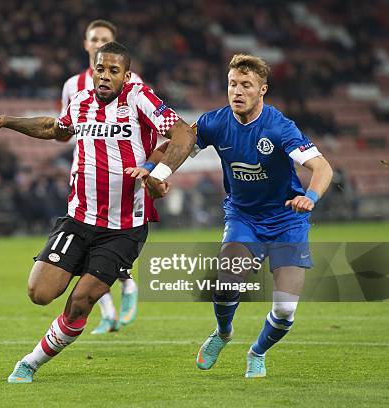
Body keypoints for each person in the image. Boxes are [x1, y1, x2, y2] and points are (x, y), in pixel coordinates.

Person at [0, 41, 196, 383]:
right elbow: (54, 130)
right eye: (100, 69)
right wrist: (4, 121)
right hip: (78, 219)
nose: (105, 77)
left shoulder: (139, 97)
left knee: (81, 301)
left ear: (126, 74)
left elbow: (182, 132)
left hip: (123, 228)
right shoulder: (81, 101)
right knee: (39, 293)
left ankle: (30, 362)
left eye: (113, 71)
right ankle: (86, 279)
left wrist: (158, 173)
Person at [128, 54, 334, 378]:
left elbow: (322, 167)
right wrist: (153, 168)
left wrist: (309, 197)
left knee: (284, 310)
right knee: (225, 283)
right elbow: (178, 143)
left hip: (286, 221)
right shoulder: (215, 123)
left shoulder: (280, 128)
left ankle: (257, 352)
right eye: (232, 84)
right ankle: (223, 333)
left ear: (262, 90)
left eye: (246, 85)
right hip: (244, 217)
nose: (237, 91)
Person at [61, 19, 144, 335]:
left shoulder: (133, 83)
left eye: (104, 39)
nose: (98, 43)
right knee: (87, 246)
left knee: (112, 240)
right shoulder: (73, 86)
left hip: (125, 176)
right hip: (84, 174)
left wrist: (153, 168)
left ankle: (128, 284)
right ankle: (107, 313)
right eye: (94, 39)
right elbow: (63, 129)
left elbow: (150, 129)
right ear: (86, 44)